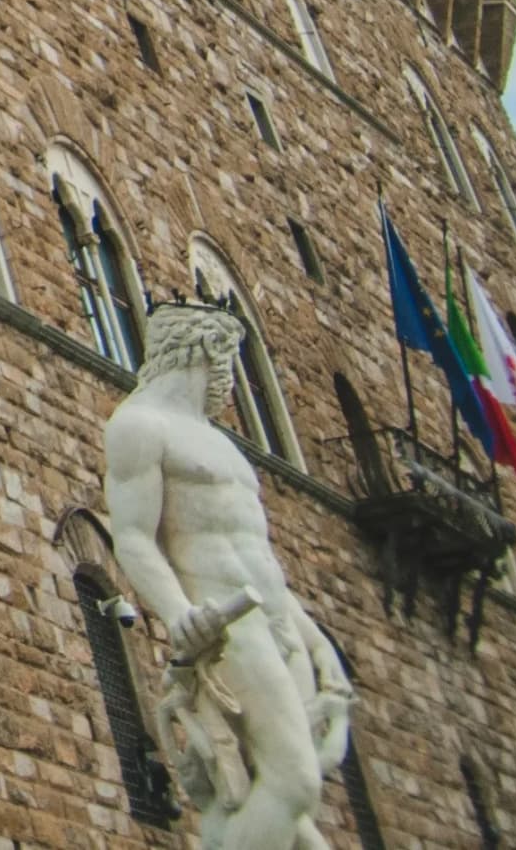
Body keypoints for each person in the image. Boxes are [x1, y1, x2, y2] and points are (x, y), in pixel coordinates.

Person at [104, 299, 354, 850]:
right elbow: (133, 538)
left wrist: (319, 647)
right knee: (292, 784)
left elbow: (259, 557)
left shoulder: (221, 443)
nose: (231, 382)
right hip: (226, 631)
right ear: (212, 350)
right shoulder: (140, 424)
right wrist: (179, 615)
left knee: (262, 795)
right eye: (231, 363)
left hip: (277, 625)